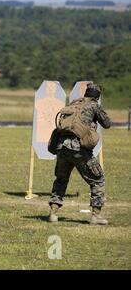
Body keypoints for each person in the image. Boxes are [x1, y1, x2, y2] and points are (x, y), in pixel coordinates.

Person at [48, 83, 111, 225]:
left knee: (61, 180)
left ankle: (53, 213)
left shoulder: (74, 103)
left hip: (62, 148)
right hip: (79, 150)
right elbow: (107, 123)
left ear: (86, 93)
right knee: (98, 180)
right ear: (97, 96)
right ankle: (96, 216)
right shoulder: (94, 105)